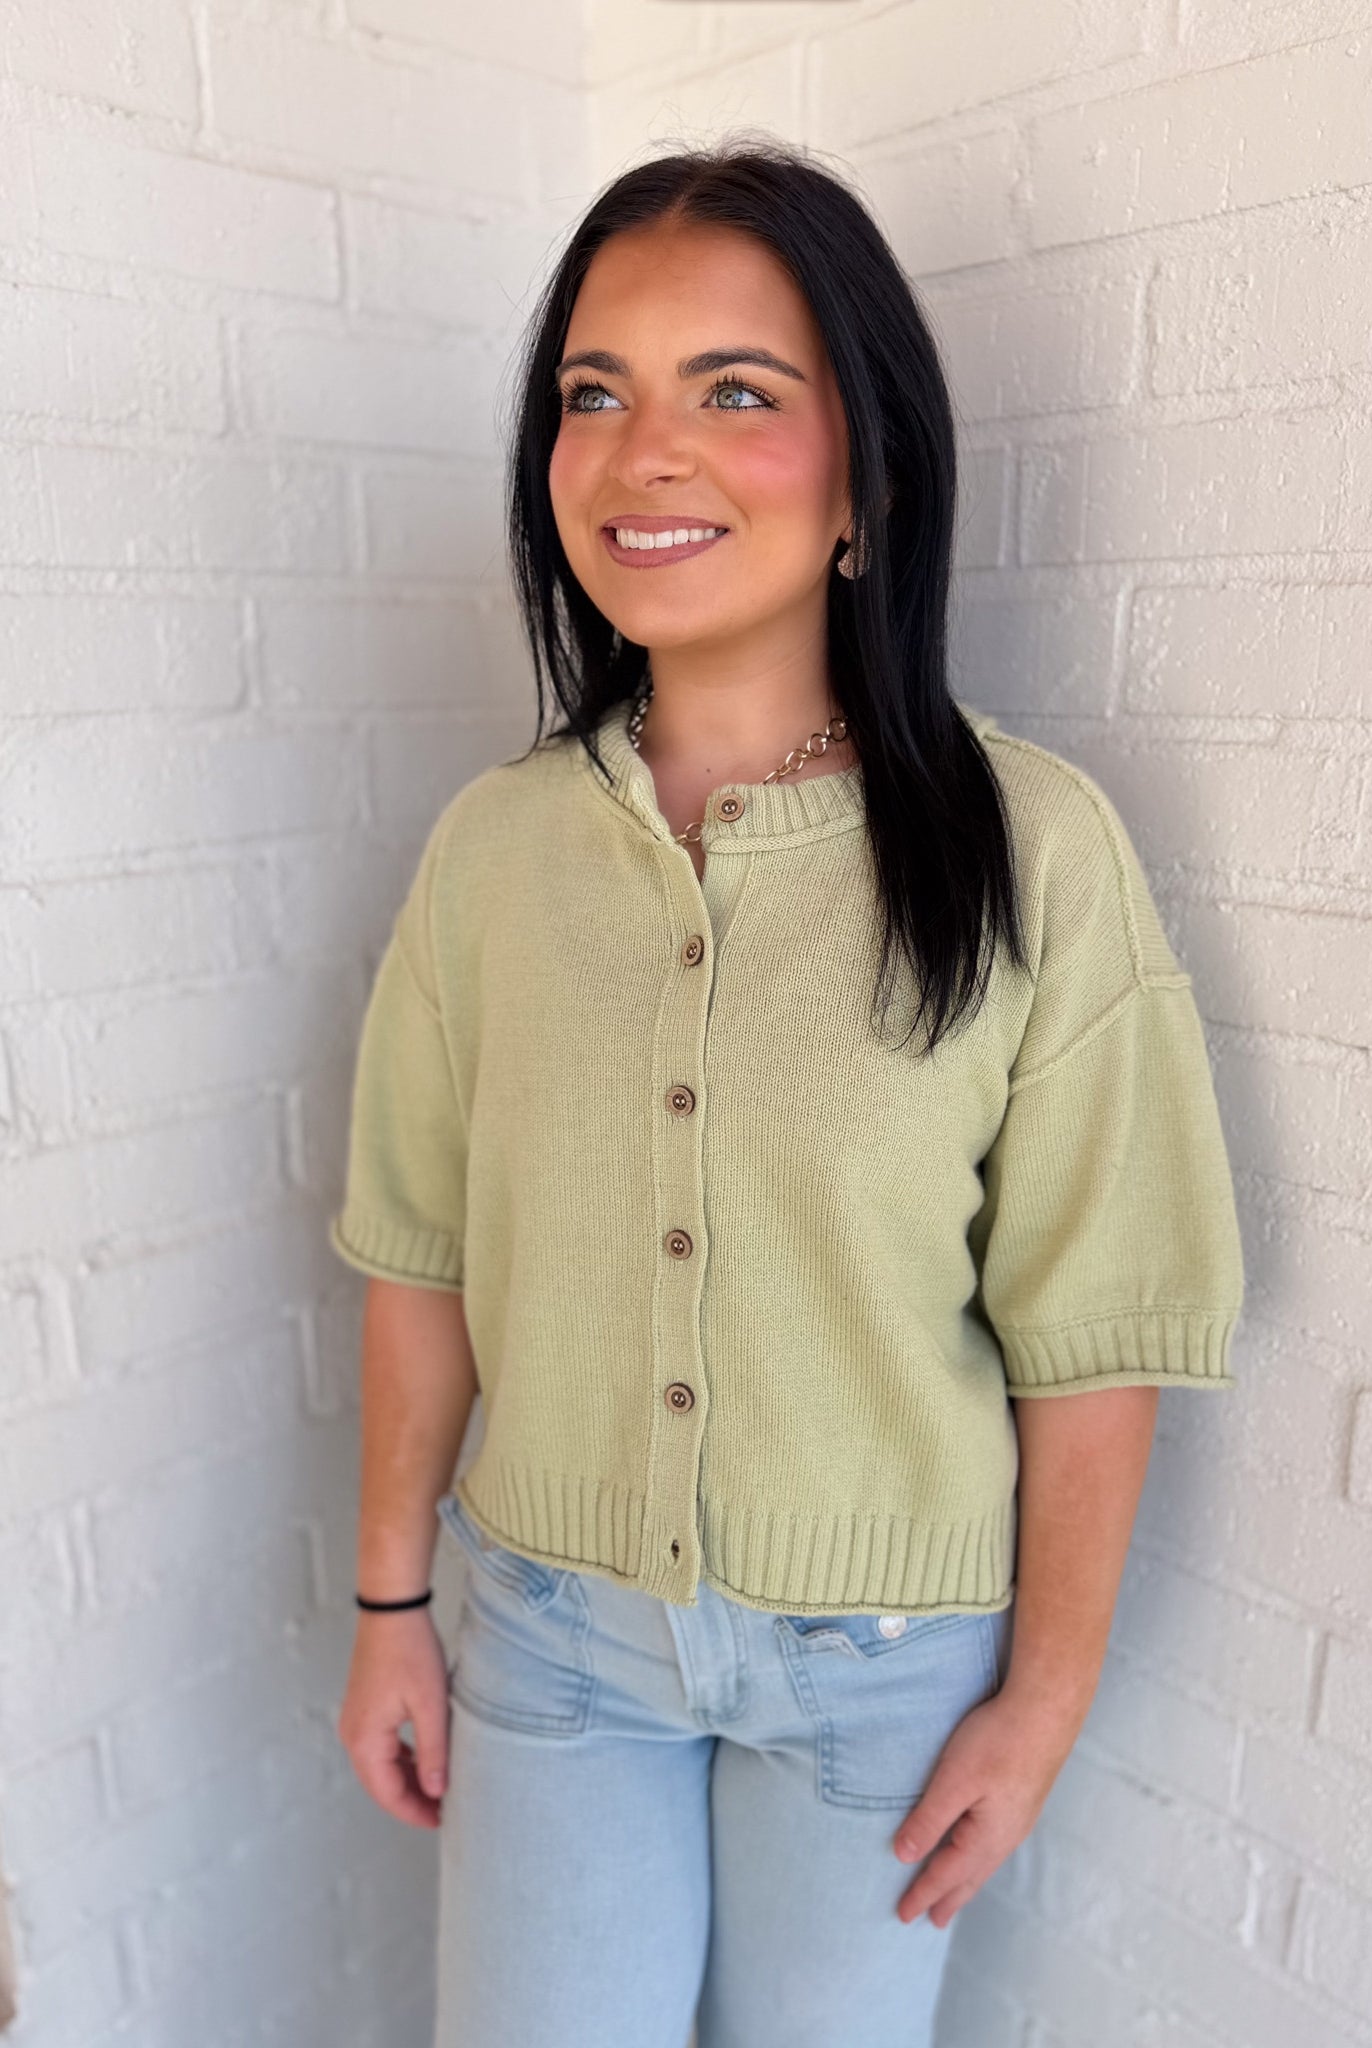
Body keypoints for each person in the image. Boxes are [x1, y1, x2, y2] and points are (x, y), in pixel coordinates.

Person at [329, 138, 1244, 2048]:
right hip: (551, 1649)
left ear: (867, 480)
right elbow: (417, 1250)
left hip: (889, 1680)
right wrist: (389, 1604)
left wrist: (1045, 1697)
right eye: (596, 394)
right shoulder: (493, 855)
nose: (644, 451)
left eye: (735, 391)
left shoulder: (1033, 853)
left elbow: (1099, 1321)